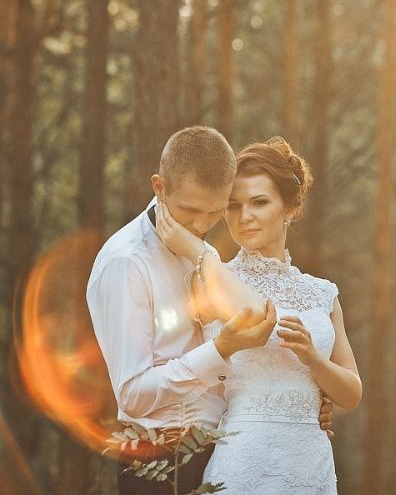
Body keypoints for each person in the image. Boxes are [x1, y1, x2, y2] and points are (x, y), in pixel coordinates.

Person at [86, 126, 336, 495]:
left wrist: (297, 399)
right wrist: (220, 351)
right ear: (159, 187)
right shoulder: (127, 263)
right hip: (160, 461)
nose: (202, 225)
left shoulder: (199, 252)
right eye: (190, 211)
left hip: (220, 455)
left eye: (215, 212)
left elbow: (259, 318)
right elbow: (133, 394)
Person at [156, 136, 362, 494]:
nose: (245, 217)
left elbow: (352, 393)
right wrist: (196, 249)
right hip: (243, 460)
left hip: (310, 463)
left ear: (289, 208)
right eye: (233, 206)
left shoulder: (323, 293)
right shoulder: (208, 279)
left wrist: (313, 360)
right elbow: (256, 317)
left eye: (260, 203)